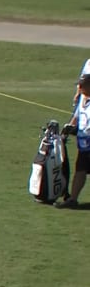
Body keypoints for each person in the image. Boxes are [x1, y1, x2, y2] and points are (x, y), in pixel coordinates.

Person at [56, 74, 90, 209]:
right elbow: (76, 116)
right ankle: (73, 199)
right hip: (84, 144)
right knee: (80, 170)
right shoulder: (82, 98)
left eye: (83, 85)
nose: (79, 87)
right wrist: (68, 128)